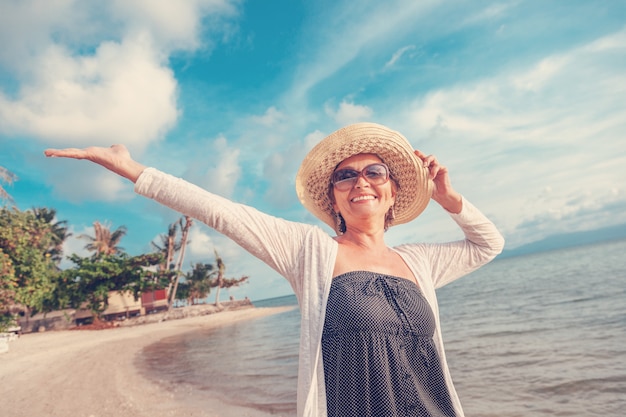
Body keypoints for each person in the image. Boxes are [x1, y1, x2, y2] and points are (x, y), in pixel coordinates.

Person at [45, 122, 504, 417]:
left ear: (391, 192)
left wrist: (450, 201)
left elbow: (488, 243)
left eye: (374, 172)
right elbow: (220, 211)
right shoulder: (310, 250)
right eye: (345, 176)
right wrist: (132, 169)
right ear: (335, 200)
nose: (360, 180)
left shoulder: (419, 262)